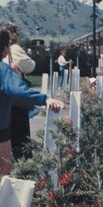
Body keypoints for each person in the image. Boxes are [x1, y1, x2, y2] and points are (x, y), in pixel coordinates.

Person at [0, 31, 64, 176]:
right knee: (5, 170)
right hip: (1, 132)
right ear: (5, 49)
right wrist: (45, 99)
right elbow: (18, 91)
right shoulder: (3, 70)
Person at [1, 23, 36, 160]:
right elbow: (30, 67)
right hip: (15, 99)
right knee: (20, 138)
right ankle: (20, 165)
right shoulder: (15, 48)